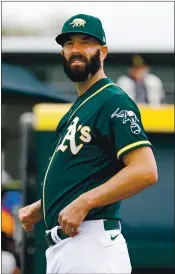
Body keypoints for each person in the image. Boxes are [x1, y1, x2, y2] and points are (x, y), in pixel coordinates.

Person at [18, 14, 158, 274]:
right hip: (68, 248)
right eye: (69, 44)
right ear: (62, 52)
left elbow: (145, 170)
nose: (76, 50)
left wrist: (84, 202)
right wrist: (43, 206)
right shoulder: (77, 109)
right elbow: (84, 175)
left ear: (102, 52)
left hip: (91, 244)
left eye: (85, 42)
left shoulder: (113, 100)